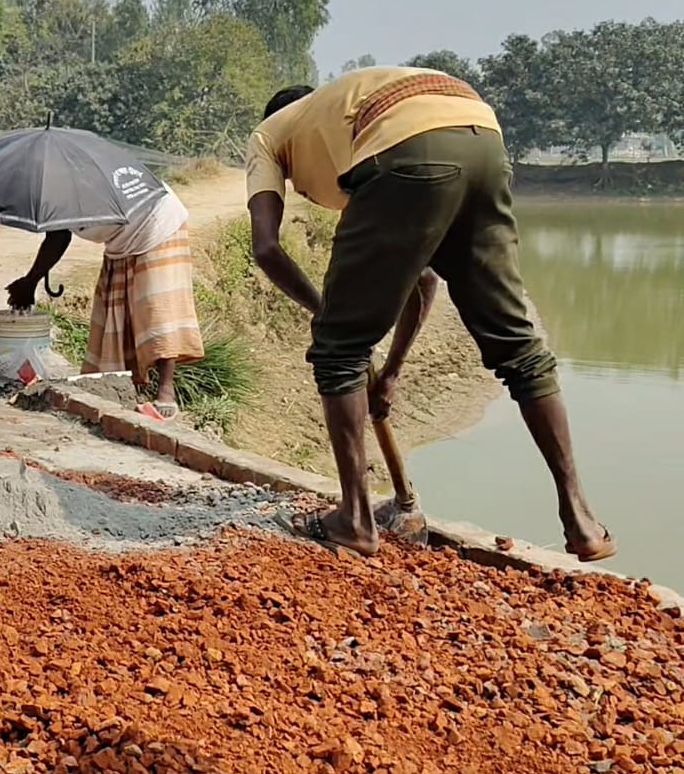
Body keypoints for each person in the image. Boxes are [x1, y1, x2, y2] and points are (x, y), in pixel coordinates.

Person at [245, 66, 614, 561]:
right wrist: (391, 371)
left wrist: (327, 316)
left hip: (407, 141)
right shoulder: (339, 116)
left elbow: (266, 248)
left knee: (337, 352)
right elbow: (422, 276)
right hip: (482, 134)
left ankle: (353, 520)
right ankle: (582, 519)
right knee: (518, 348)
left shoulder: (269, 135)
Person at [5, 180, 204, 420]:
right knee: (118, 309)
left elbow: (58, 239)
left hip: (157, 219)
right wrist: (31, 281)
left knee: (157, 305)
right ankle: (126, 385)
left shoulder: (70, 182)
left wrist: (30, 281)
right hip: (121, 237)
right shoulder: (52, 190)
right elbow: (56, 233)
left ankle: (166, 391)